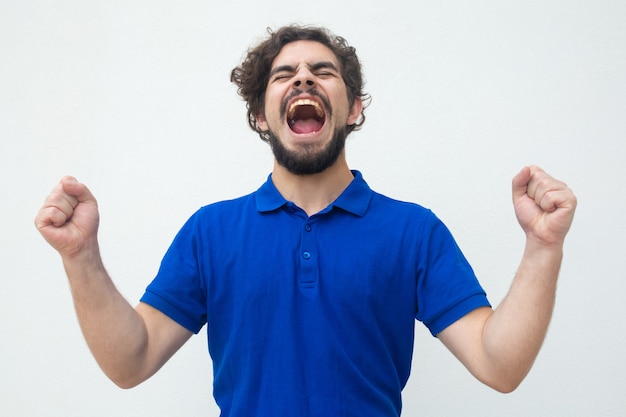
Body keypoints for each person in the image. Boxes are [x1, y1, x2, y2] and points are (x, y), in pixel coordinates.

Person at [35, 25, 577, 416]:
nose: (303, 80)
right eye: (283, 75)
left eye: (323, 72)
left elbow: (498, 365)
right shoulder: (211, 233)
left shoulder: (414, 232)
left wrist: (543, 247)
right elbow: (131, 362)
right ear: (258, 114)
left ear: (354, 108)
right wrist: (80, 257)